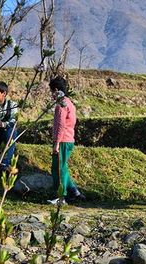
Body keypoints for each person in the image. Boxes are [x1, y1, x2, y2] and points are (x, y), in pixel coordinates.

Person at [47, 76, 86, 205]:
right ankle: (74, 191)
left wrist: (56, 143)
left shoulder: (61, 105)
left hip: (62, 140)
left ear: (56, 90)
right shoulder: (70, 103)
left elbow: (60, 125)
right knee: (62, 166)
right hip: (69, 139)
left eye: (52, 91)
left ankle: (61, 196)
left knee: (58, 168)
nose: (51, 94)